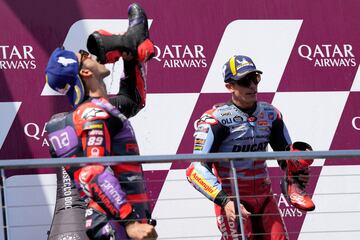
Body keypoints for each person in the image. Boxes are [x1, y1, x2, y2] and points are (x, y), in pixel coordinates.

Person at [45, 3, 157, 240]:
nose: (92, 55)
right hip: (115, 222)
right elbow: (93, 172)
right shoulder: (92, 115)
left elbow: (132, 100)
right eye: (84, 56)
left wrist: (130, 57)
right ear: (85, 72)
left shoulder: (98, 109)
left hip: (116, 219)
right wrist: (130, 222)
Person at [186, 55, 314, 240]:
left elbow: (285, 156)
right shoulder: (216, 119)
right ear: (229, 86)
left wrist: (295, 173)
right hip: (233, 199)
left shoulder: (270, 114)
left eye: (255, 79)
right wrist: (225, 201)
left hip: (265, 198)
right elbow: (195, 170)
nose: (253, 86)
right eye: (245, 81)